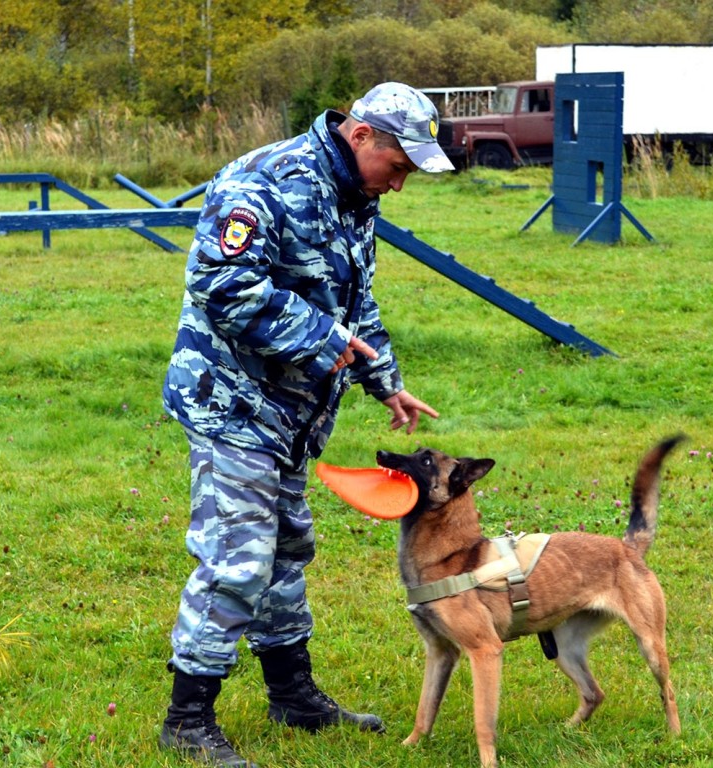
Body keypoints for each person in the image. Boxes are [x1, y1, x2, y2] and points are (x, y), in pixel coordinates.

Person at [158, 82, 452, 767]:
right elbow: (223, 287)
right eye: (399, 167)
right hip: (232, 402)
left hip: (292, 412)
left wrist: (387, 383)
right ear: (361, 137)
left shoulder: (356, 198)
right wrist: (324, 340)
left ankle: (292, 696)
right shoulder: (264, 182)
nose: (400, 185)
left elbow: (355, 299)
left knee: (288, 549)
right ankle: (187, 718)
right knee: (238, 559)